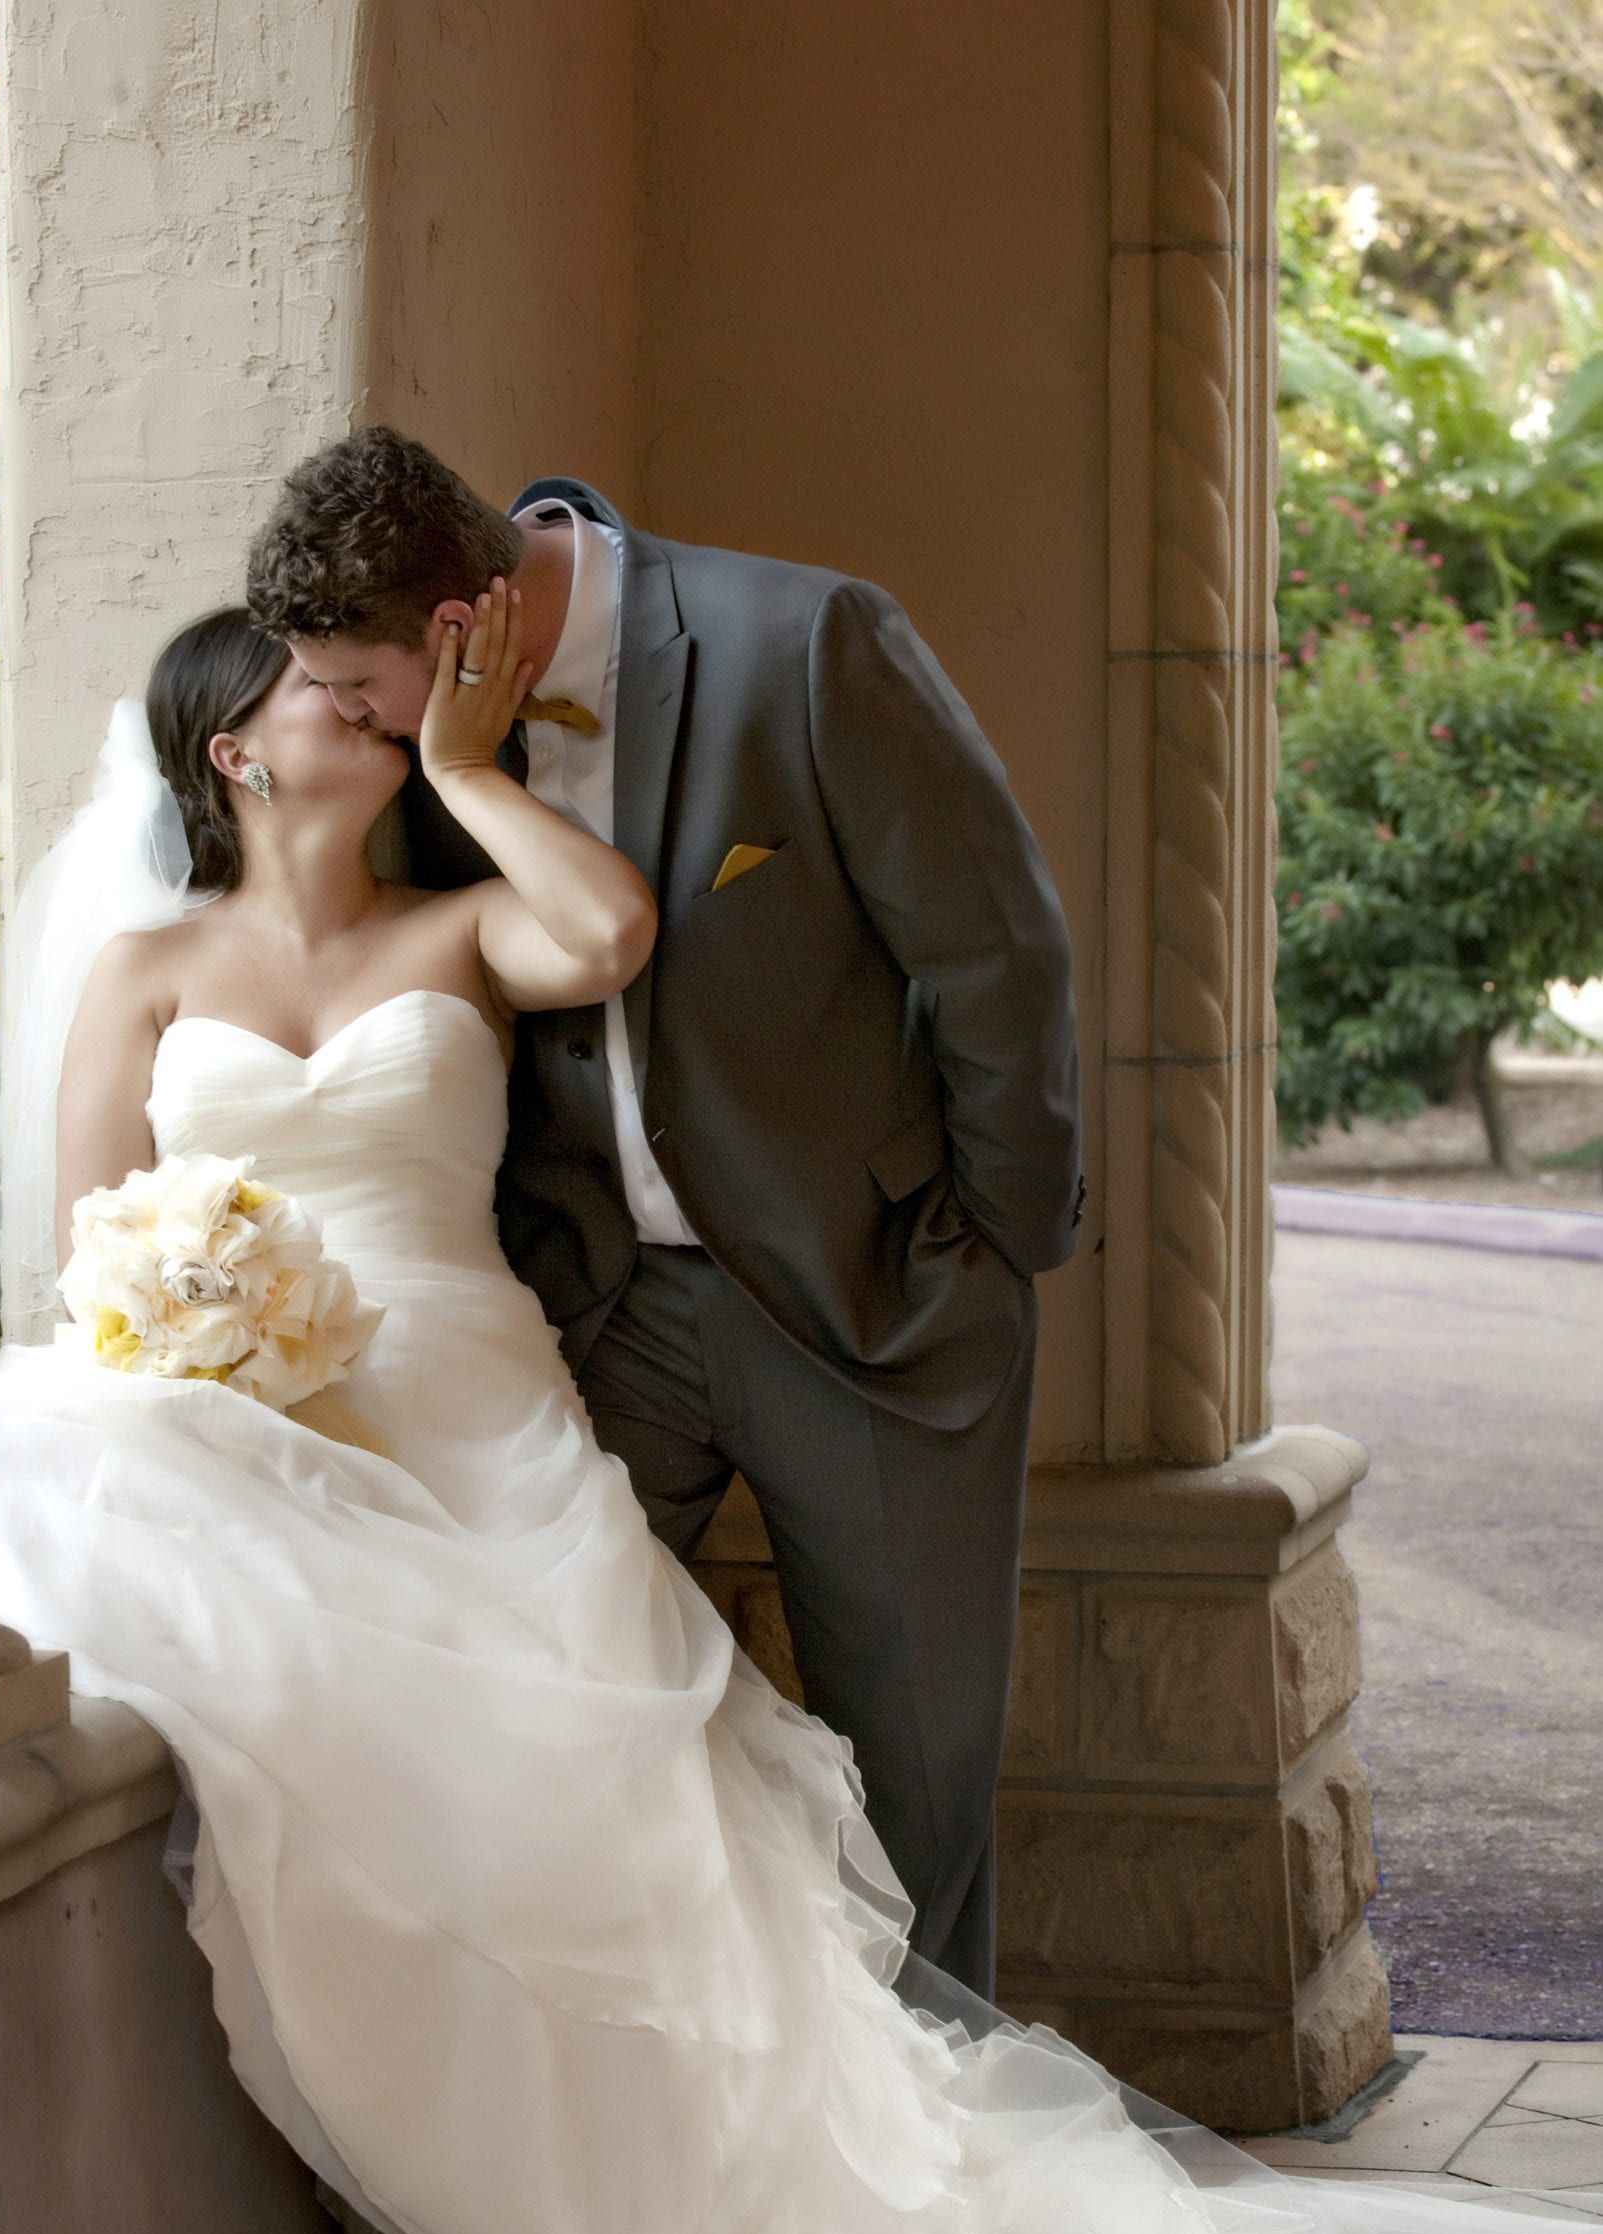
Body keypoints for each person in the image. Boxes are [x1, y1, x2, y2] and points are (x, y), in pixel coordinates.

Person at [0, 588, 1603, 2234]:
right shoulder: (145, 969)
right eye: (331, 695)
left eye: (382, 693)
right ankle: (489, 2213)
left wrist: (465, 769)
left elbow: (607, 928)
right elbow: (86, 1254)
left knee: (601, 1791)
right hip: (246, 1397)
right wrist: (190, 1328)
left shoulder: (460, 925)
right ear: (232, 747)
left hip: (469, 1400)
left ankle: (696, 2214)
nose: (372, 706)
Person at [245, 425, 1085, 2004]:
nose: (340, 723)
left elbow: (997, 953)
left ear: (455, 627)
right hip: (592, 1316)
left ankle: (958, 2191)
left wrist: (993, 1244)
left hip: (871, 1302)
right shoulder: (423, 750)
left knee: (913, 1787)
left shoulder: (807, 642)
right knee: (530, 1730)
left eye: (356, 688)